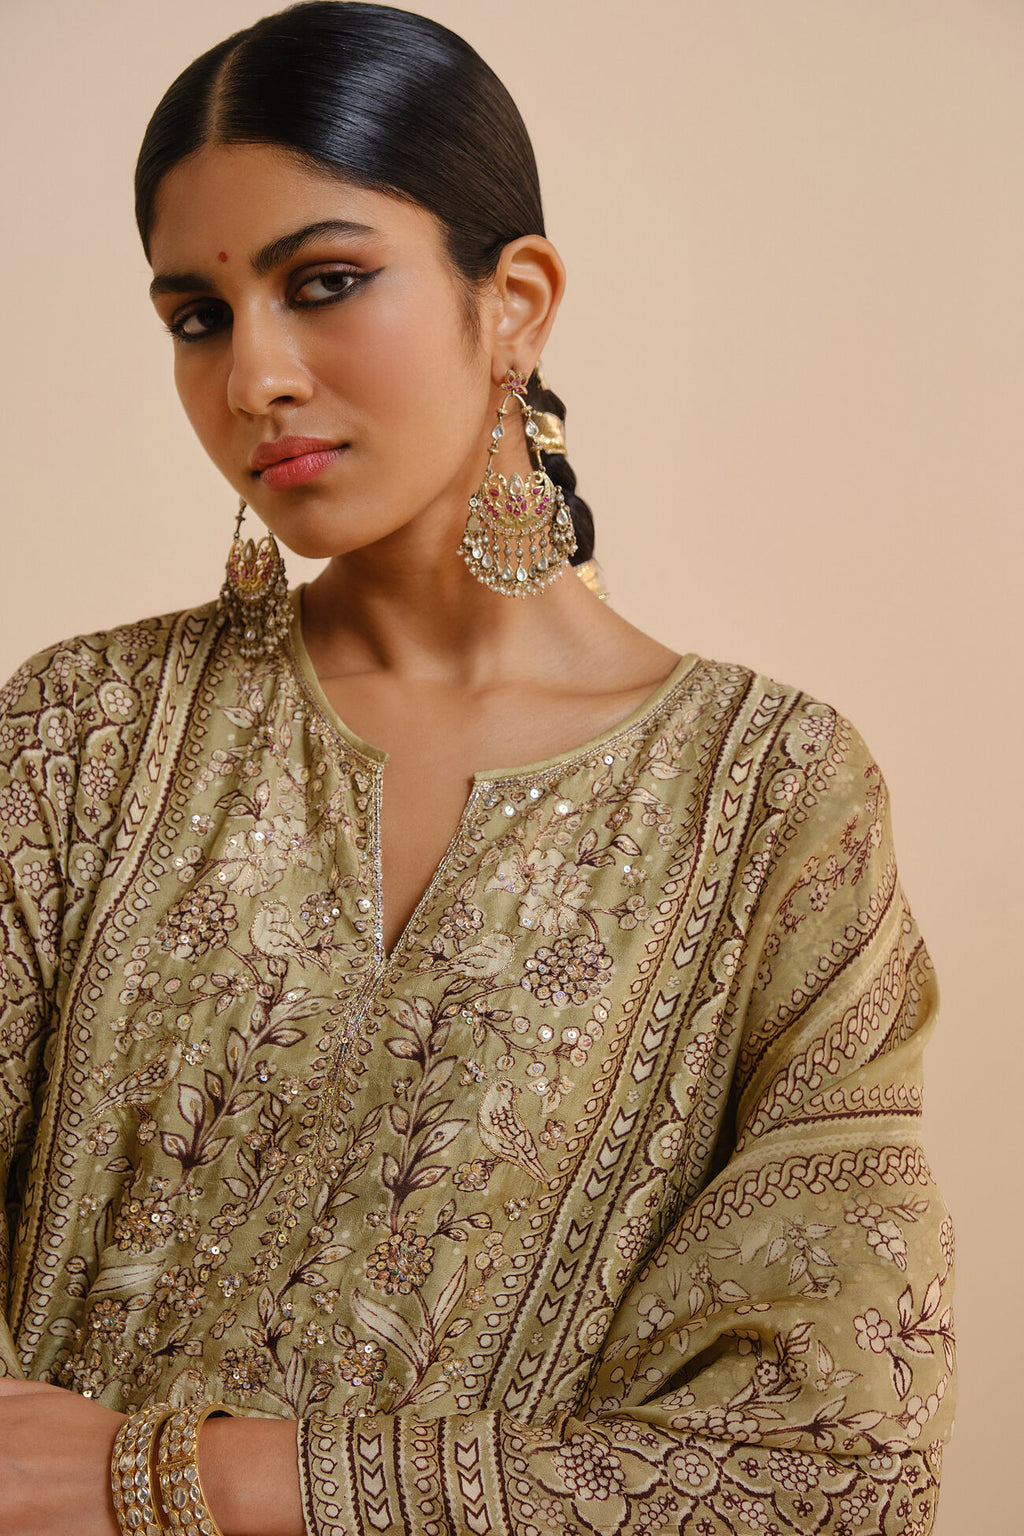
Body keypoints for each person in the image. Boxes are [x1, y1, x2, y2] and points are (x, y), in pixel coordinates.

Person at [0, 3, 955, 1533]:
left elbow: (839, 1458)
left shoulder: (776, 796)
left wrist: (191, 1479)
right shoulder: (83, 737)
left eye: (326, 285)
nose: (254, 378)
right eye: (196, 314)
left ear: (513, 302)